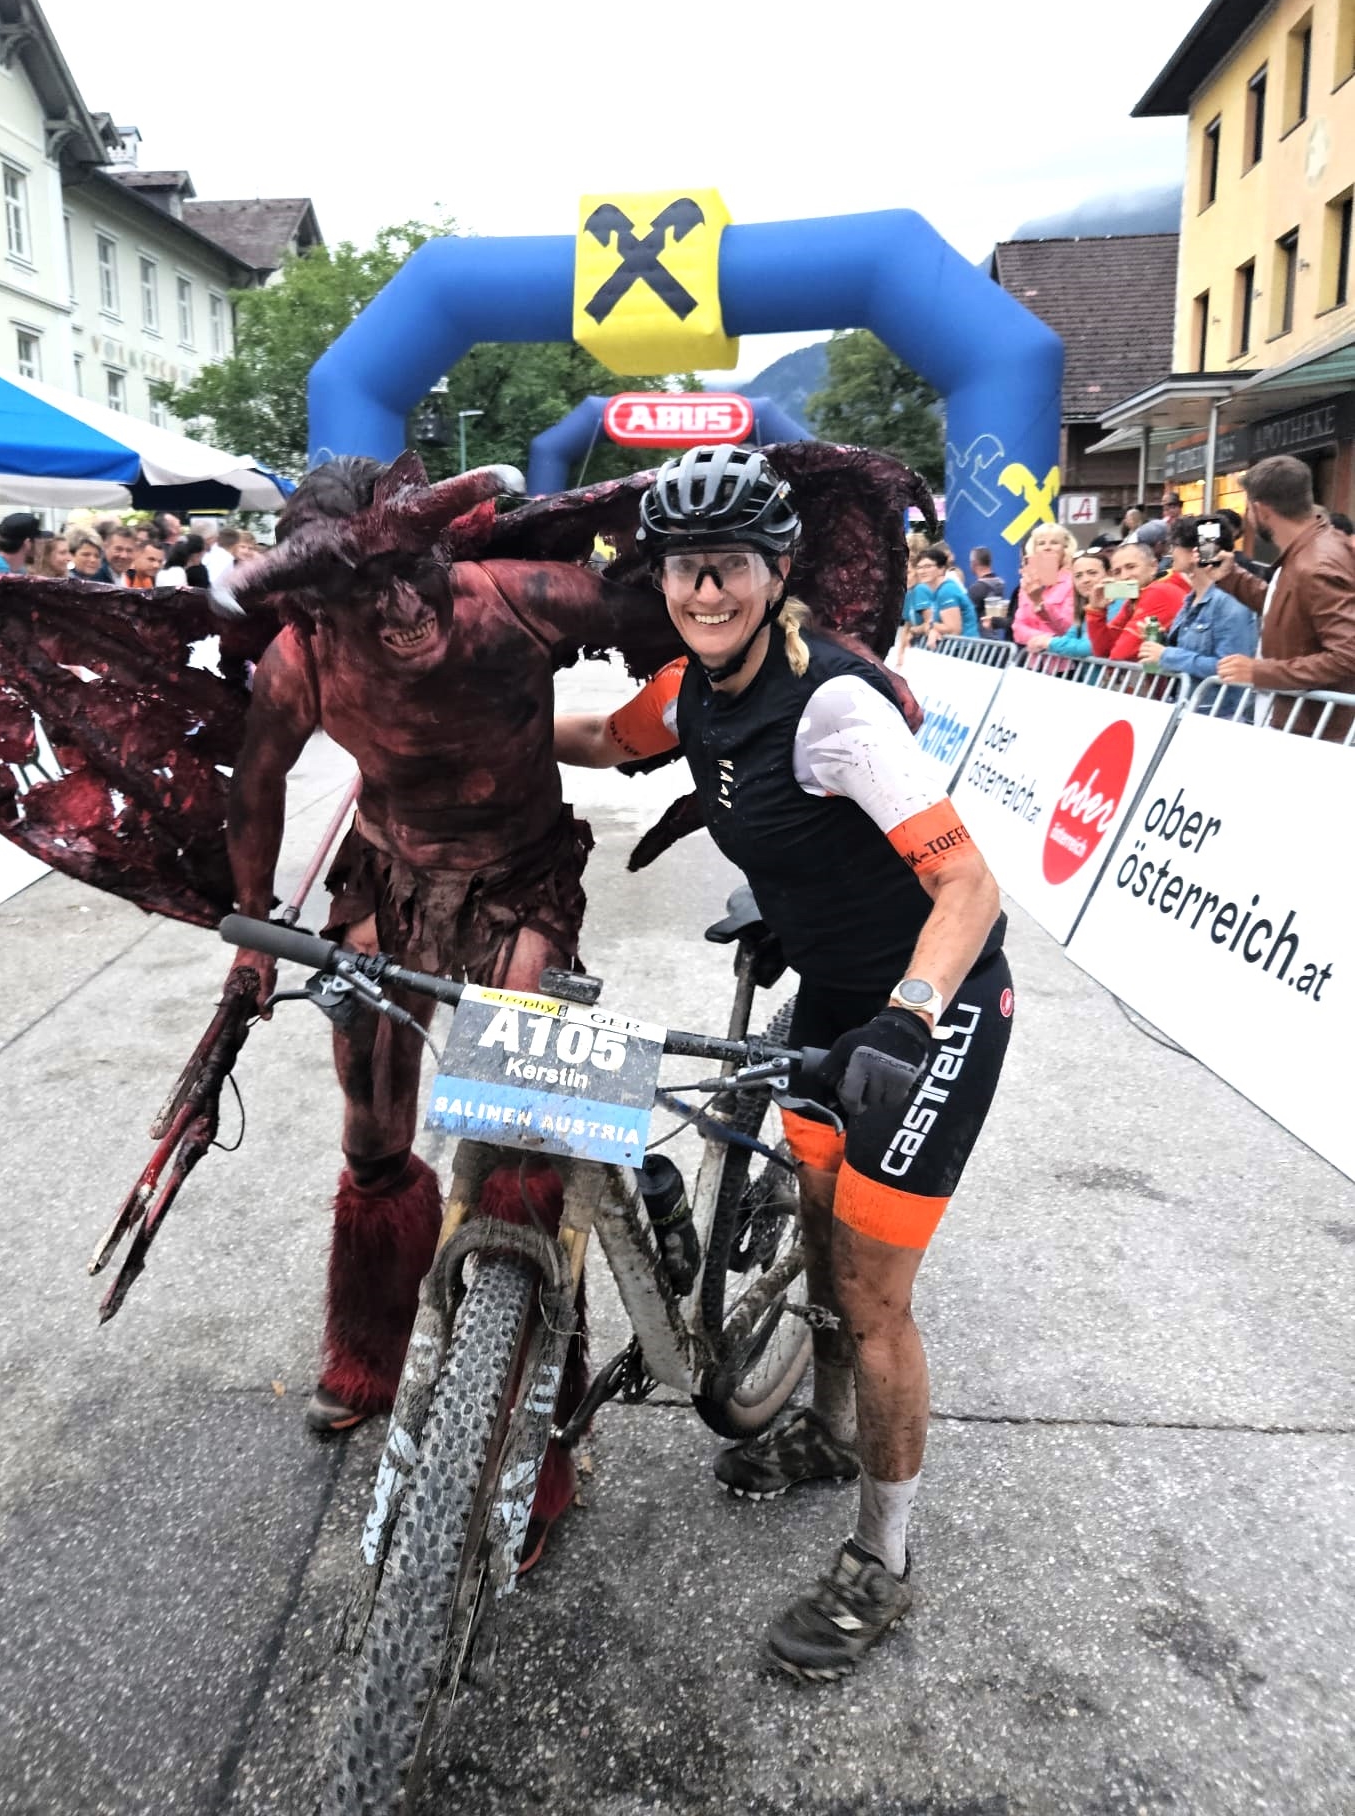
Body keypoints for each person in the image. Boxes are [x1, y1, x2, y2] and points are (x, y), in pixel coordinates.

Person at [555, 445, 1013, 1681]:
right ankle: (817, 1434)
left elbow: (969, 881)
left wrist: (912, 1016)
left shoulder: (835, 707)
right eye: (684, 570)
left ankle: (886, 1558)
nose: (705, 591)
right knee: (812, 1229)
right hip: (833, 993)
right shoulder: (695, 687)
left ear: (777, 571)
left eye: (731, 569)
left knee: (872, 1297)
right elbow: (604, 733)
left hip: (933, 1006)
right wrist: (437, 711)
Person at [217, 453, 676, 1561]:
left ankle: (528, 1445)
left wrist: (760, 731)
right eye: (365, 593)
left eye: (415, 572)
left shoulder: (516, 596)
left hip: (524, 889)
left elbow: (689, 625)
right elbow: (255, 786)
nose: (405, 608)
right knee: (374, 1139)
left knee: (521, 1161)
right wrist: (247, 936)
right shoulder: (301, 662)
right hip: (385, 886)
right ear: (316, 605)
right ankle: (370, 1359)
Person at [1212, 455, 1355, 725]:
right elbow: (1291, 611)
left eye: (1248, 509)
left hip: (1311, 733)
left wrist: (1261, 672)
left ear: (1261, 510)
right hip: (1301, 723)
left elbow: (1348, 655)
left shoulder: (1315, 563)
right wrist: (1233, 578)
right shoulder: (1312, 550)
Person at [1136, 517, 1256, 708]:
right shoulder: (1191, 599)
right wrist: (1162, 641)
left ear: (1194, 553)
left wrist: (1166, 655)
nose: (1170, 552)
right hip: (1190, 708)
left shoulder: (1228, 602)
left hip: (1219, 715)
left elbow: (1231, 668)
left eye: (1174, 545)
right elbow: (1191, 651)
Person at [1085, 533, 1190, 660]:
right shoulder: (1134, 598)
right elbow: (1103, 651)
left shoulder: (1158, 591)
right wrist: (1096, 611)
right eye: (1117, 572)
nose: (1124, 576)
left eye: (1131, 567)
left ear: (1153, 566)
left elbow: (1120, 656)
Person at [1011, 522, 1075, 650]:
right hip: (1032, 661)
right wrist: (1044, 639)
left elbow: (1070, 629)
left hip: (1064, 663)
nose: (1047, 547)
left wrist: (1040, 602)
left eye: (1054, 543)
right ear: (1034, 550)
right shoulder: (1027, 583)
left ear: (1065, 549)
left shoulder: (1073, 581)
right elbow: (1017, 628)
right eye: (1041, 543)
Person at [913, 547, 979, 640]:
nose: (922, 571)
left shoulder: (946, 591)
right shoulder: (938, 591)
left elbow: (954, 630)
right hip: (957, 648)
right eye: (919, 567)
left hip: (964, 649)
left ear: (941, 569)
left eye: (928, 566)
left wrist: (930, 626)